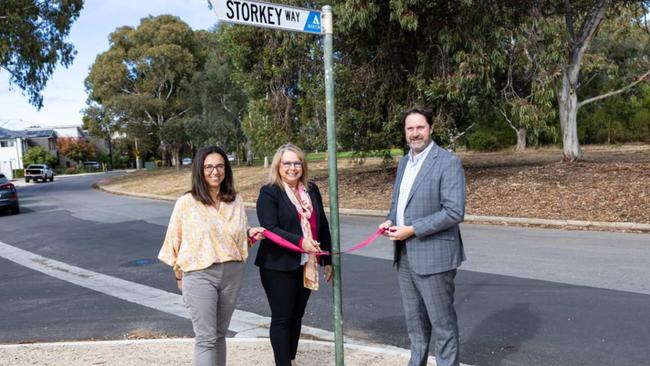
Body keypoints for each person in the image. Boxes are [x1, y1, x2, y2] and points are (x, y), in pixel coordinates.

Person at [158, 146, 264, 366]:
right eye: (208, 167)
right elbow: (174, 245)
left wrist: (249, 233)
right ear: (200, 170)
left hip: (232, 274)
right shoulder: (186, 203)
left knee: (220, 334)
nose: (215, 172)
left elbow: (237, 237)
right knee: (206, 338)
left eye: (219, 166)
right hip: (199, 275)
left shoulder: (236, 201)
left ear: (226, 169)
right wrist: (179, 277)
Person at [379, 107, 466, 366]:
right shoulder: (405, 162)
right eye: (410, 128)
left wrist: (413, 229)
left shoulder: (448, 162)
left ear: (431, 128)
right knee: (415, 326)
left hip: (435, 257)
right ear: (405, 132)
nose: (415, 133)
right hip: (404, 255)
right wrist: (390, 220)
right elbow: (398, 203)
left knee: (443, 326)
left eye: (420, 127)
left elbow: (453, 211)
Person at [255, 143, 333, 366]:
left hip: (306, 264)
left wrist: (326, 259)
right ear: (278, 166)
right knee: (282, 317)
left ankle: (289, 358)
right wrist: (301, 242)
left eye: (297, 162)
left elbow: (322, 225)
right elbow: (269, 228)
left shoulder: (311, 189)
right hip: (277, 265)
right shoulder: (270, 191)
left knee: (297, 315)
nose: (292, 167)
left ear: (303, 165)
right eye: (287, 163)